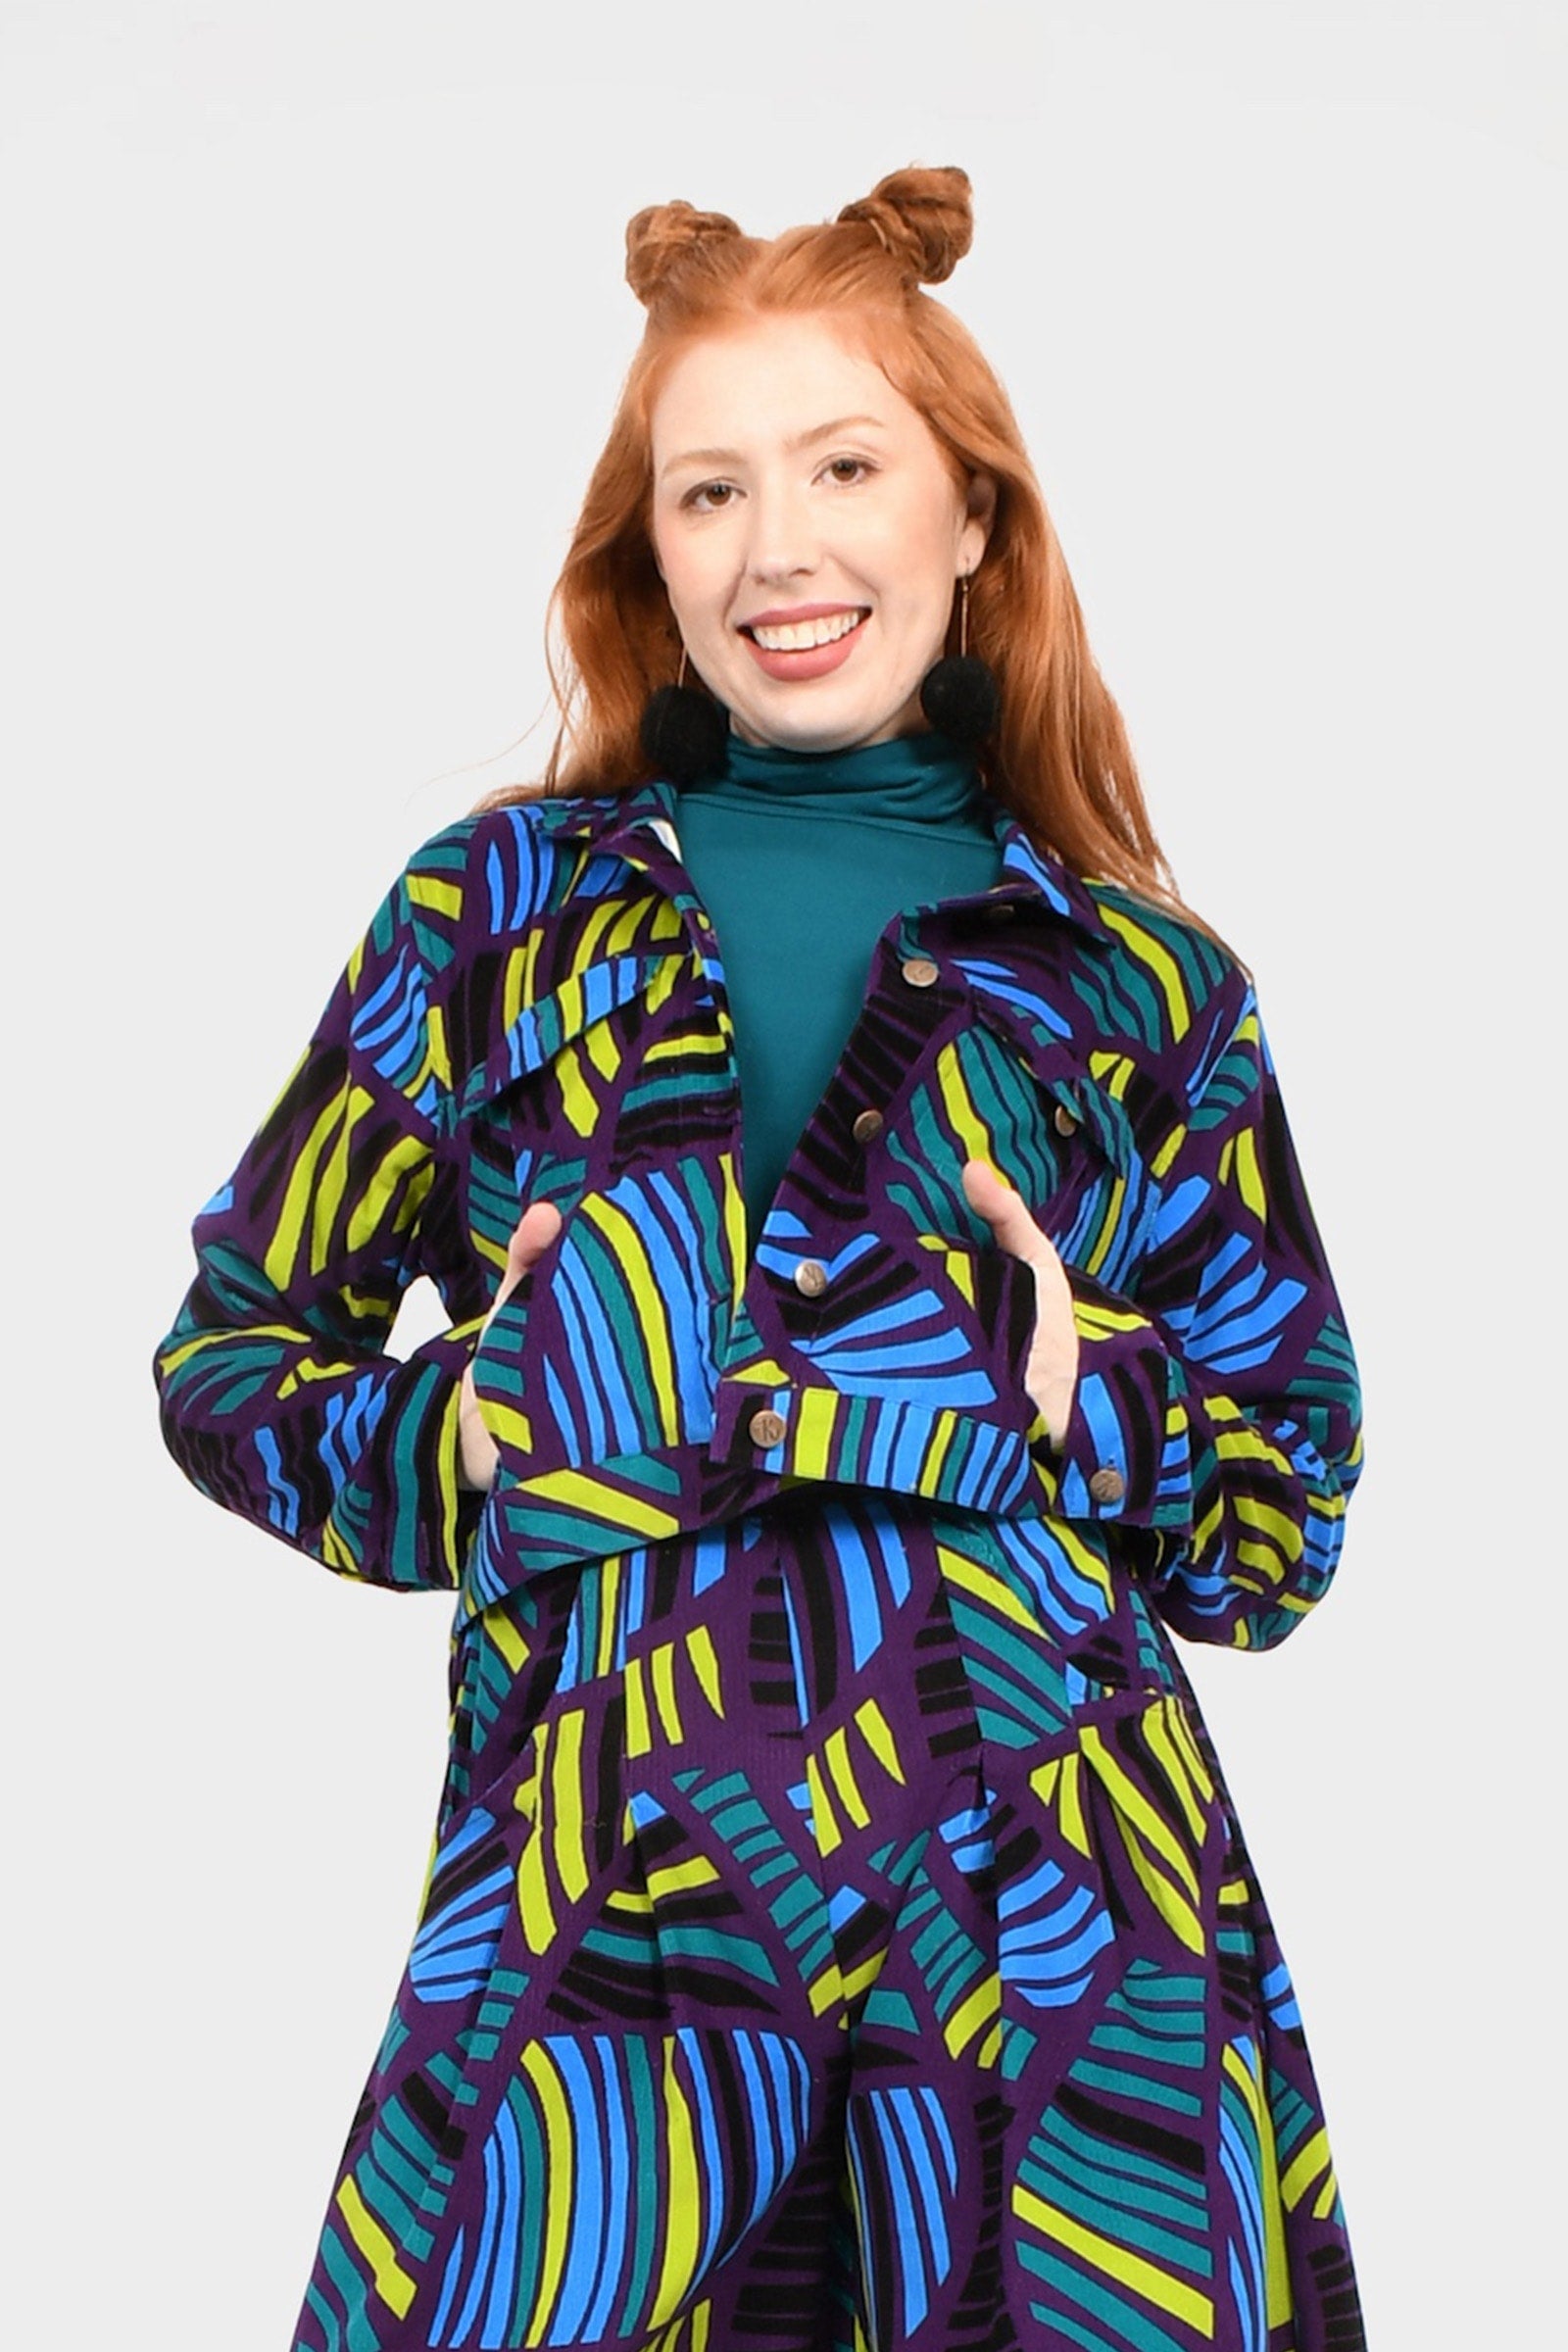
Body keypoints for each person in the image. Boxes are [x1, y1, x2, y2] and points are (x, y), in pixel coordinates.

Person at [154, 165, 1367, 2352]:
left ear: (972, 517)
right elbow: (234, 1359)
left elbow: (1285, 1513)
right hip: (609, 1923)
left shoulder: (1143, 986)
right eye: (707, 491)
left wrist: (1078, 1387)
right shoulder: (491, 921)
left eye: (843, 468)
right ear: (650, 553)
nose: (776, 548)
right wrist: (475, 1430)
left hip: (1052, 1944)